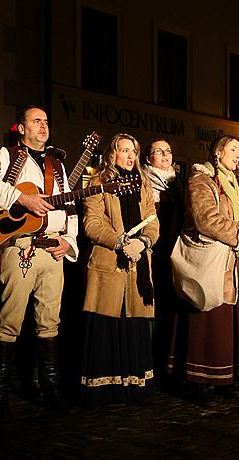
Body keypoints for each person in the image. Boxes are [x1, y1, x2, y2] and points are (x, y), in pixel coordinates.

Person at [0, 105, 78, 416]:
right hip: (21, 248)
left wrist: (68, 241)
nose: (43, 126)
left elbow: (69, 205)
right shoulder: (5, 156)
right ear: (21, 128)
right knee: (10, 321)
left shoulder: (56, 165)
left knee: (50, 322)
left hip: (52, 251)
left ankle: (50, 388)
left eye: (46, 121)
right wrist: (21, 198)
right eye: (36, 121)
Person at [168, 136, 239, 404]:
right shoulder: (202, 181)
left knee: (230, 321)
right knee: (209, 320)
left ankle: (226, 378)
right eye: (233, 149)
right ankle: (199, 380)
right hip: (212, 264)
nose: (238, 155)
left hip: (236, 264)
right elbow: (206, 219)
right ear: (218, 152)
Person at [78, 133, 159, 406]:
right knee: (107, 326)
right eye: (124, 150)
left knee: (134, 323)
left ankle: (134, 388)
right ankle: (106, 391)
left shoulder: (143, 183)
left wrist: (144, 241)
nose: (129, 156)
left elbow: (153, 221)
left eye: (133, 152)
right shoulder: (98, 182)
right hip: (108, 264)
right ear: (112, 153)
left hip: (138, 266)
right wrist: (121, 242)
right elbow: (92, 224)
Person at [141, 139, 182, 384]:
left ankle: (170, 360)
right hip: (153, 250)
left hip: (175, 250)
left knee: (172, 304)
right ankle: (150, 360)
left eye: (168, 151)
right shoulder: (143, 182)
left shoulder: (178, 183)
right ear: (148, 159)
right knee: (151, 303)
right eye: (159, 151)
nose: (165, 155)